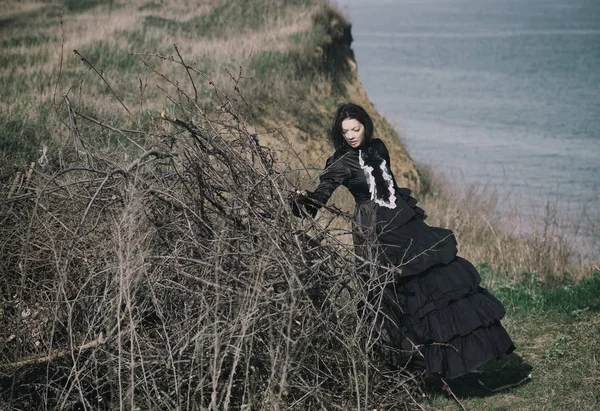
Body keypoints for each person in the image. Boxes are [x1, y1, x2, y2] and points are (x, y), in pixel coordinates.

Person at [291, 103, 515, 379]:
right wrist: (304, 200)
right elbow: (321, 194)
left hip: (404, 223)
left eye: (355, 129)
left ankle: (447, 361)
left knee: (431, 285)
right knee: (388, 297)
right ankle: (399, 369)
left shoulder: (379, 147)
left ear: (365, 126)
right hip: (375, 233)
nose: (350, 135)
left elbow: (391, 186)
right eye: (345, 131)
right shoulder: (340, 162)